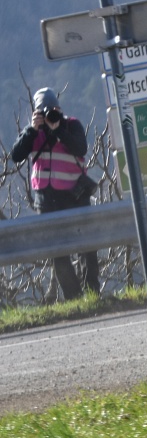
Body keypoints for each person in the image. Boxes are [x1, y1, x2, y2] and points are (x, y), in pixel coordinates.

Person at [9, 88, 99, 300]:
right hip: (46, 201)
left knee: (87, 246)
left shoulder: (71, 125)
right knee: (58, 252)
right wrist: (32, 130)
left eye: (54, 110)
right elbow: (16, 155)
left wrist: (58, 130)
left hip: (75, 196)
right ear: (37, 113)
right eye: (45, 111)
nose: (51, 115)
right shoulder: (33, 132)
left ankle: (93, 293)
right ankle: (74, 298)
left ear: (59, 108)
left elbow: (81, 148)